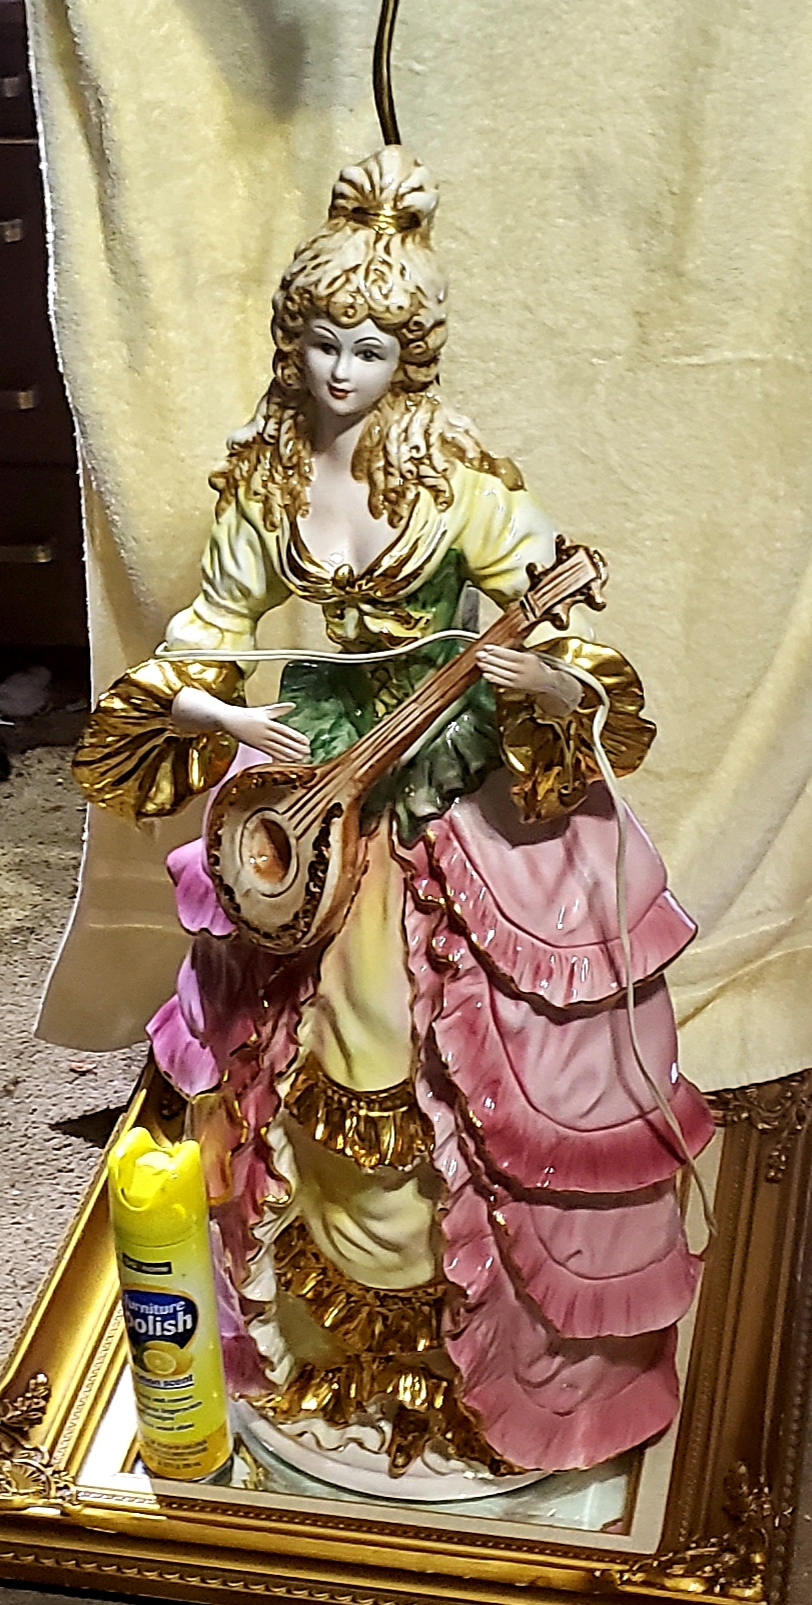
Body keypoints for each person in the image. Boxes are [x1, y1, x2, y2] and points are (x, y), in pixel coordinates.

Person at [74, 144, 714, 1488]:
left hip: (445, 772)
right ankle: (332, 1338)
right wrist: (219, 713)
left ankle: (480, 1358)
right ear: (292, 342)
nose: (341, 372)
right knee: (294, 1040)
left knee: (461, 1048)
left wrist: (549, 674)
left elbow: (546, 598)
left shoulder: (452, 476)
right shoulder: (266, 478)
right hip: (313, 773)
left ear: (409, 358)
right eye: (322, 343)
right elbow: (207, 630)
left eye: (369, 349)